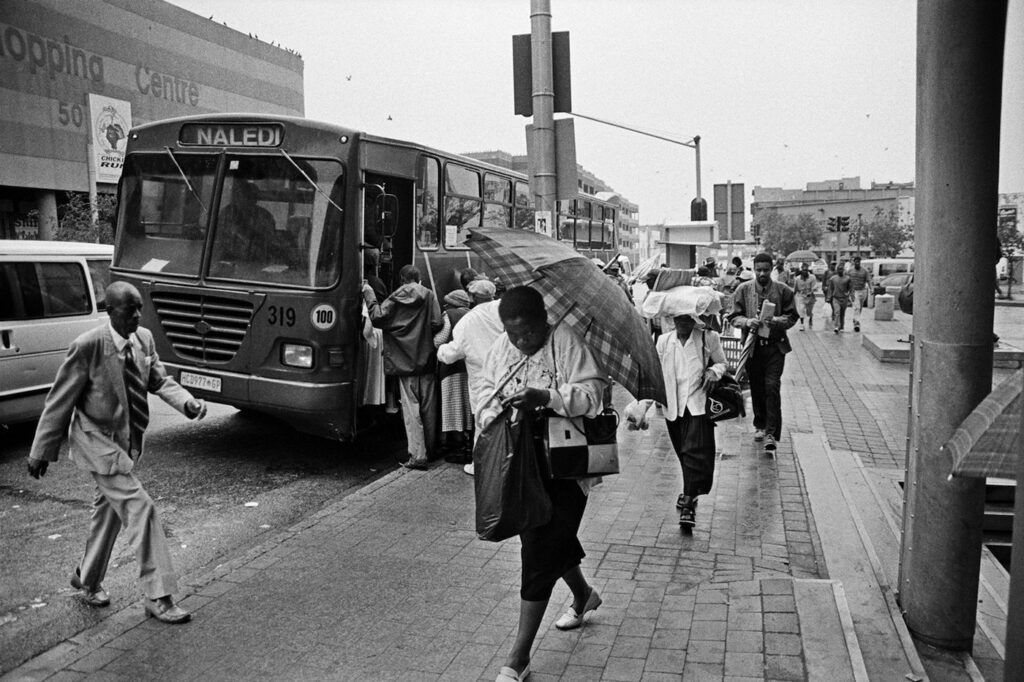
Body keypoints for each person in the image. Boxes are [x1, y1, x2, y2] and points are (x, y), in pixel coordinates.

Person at [26, 282, 207, 624]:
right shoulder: (88, 346)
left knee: (108, 513)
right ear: (110, 311)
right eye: (129, 310)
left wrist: (187, 402)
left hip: (125, 444)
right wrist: (41, 451)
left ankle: (87, 578)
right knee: (142, 509)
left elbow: (158, 380)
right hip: (97, 443)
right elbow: (61, 399)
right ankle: (159, 595)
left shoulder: (144, 340)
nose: (137, 315)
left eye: (140, 308)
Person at [476, 286, 608, 682]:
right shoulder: (502, 348)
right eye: (513, 333)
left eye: (528, 332)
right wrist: (495, 406)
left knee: (539, 549)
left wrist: (547, 396)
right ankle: (584, 596)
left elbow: (592, 395)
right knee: (544, 536)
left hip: (566, 464)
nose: (521, 340)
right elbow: (482, 392)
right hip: (520, 464)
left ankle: (519, 657)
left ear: (543, 322)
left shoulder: (566, 341)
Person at [364, 264, 444, 469]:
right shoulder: (429, 295)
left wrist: (370, 295)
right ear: (418, 279)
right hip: (425, 360)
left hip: (403, 361)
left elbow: (377, 317)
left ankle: (418, 456)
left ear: (402, 279)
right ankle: (431, 450)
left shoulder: (396, 296)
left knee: (411, 410)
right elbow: (436, 323)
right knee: (429, 408)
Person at [656, 312, 727, 529]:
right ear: (672, 320)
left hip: (697, 405)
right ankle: (691, 491)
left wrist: (714, 371)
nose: (682, 323)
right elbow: (656, 372)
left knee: (692, 452)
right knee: (683, 452)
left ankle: (688, 504)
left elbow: (722, 363)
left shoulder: (708, 338)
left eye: (687, 319)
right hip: (672, 407)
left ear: (694, 319)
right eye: (678, 319)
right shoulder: (663, 341)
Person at [728, 253, 800, 452]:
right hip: (753, 349)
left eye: (766, 270)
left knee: (772, 387)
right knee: (757, 388)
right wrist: (746, 321)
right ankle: (759, 425)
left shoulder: (783, 290)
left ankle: (771, 433)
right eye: (758, 270)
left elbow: (793, 316)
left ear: (771, 269)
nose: (762, 273)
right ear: (754, 269)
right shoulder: (743, 290)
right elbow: (733, 316)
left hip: (775, 348)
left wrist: (776, 321)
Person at [437, 278, 504, 476]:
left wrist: (441, 350)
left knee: (482, 423)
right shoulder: (503, 309)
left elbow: (452, 354)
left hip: (482, 381)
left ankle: (480, 465)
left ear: (472, 297)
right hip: (508, 375)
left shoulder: (467, 322)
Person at [434, 289, 474, 463]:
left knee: (453, 407)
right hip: (469, 367)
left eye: (447, 302)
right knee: (467, 406)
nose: (445, 305)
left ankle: (459, 448)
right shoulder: (473, 315)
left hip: (451, 367)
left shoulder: (449, 315)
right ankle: (468, 445)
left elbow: (439, 340)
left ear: (454, 303)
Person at [215, 179, 277, 263]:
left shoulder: (264, 217)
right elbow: (219, 239)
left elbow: (268, 245)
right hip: (226, 261)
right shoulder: (228, 213)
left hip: (255, 263)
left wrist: (241, 235)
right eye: (238, 195)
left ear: (255, 199)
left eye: (249, 196)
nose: (242, 199)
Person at [846, 256, 872, 332]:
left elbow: (869, 281)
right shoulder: (850, 271)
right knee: (856, 307)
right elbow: (846, 281)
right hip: (853, 291)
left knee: (859, 307)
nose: (857, 263)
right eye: (856, 261)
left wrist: (871, 289)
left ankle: (855, 318)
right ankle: (857, 323)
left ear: (860, 262)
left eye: (858, 262)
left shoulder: (865, 271)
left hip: (863, 291)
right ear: (854, 262)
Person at [827, 262, 852, 334]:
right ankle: (836, 326)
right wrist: (828, 297)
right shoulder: (833, 279)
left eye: (841, 269)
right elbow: (830, 289)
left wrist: (849, 293)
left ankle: (842, 327)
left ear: (843, 270)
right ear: (837, 270)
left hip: (844, 298)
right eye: (839, 269)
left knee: (842, 313)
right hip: (836, 298)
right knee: (837, 312)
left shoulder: (847, 278)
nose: (840, 270)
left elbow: (850, 288)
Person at [793, 263, 820, 330]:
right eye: (803, 270)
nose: (805, 271)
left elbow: (815, 286)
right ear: (801, 270)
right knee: (801, 310)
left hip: (810, 297)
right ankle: (802, 324)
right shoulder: (797, 279)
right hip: (801, 296)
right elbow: (795, 289)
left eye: (806, 270)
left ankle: (810, 317)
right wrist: (792, 297)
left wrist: (811, 291)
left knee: (809, 312)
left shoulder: (812, 277)